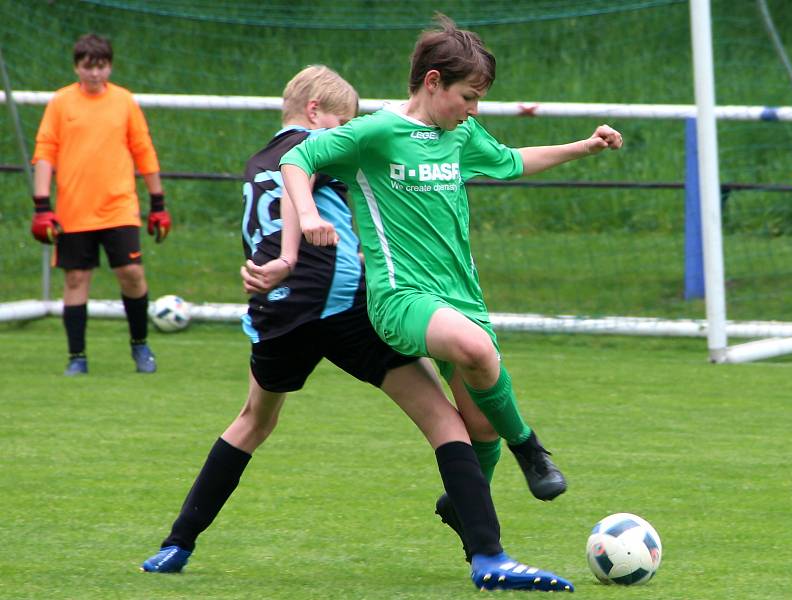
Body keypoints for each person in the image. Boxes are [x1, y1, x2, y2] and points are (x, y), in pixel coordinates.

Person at [140, 65, 574, 592]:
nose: (348, 129)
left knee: (251, 421)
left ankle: (176, 543)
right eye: (343, 120)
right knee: (446, 421)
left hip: (277, 316)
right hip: (342, 306)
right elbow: (332, 175)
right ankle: (488, 555)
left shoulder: (256, 162)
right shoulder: (334, 145)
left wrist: (274, 267)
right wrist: (298, 252)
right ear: (318, 113)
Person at [281, 13, 622, 516]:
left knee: (480, 427)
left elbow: (511, 160)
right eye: (468, 97)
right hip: (401, 297)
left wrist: (585, 147)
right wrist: (308, 213)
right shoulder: (375, 131)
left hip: (461, 295)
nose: (473, 109)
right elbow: (298, 159)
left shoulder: (462, 136)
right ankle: (530, 447)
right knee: (475, 347)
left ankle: (467, 514)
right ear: (434, 82)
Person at [30, 33, 171, 376]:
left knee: (131, 273)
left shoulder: (124, 101)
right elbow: (45, 152)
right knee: (77, 279)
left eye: (101, 67)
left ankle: (140, 346)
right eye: (88, 67)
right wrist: (41, 205)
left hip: (119, 207)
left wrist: (158, 202)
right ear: (77, 67)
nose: (95, 74)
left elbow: (143, 150)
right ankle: (76, 357)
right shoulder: (61, 103)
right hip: (74, 211)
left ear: (110, 66)